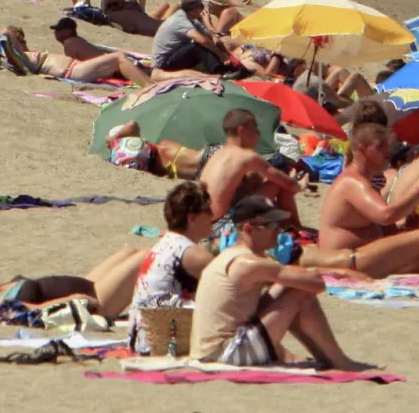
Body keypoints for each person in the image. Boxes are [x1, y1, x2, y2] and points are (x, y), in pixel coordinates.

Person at [189, 196, 373, 370]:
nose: (279, 230)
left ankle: (327, 358)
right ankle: (340, 361)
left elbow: (295, 275)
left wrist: (337, 272)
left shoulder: (233, 256)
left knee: (288, 287)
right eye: (272, 224)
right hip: (224, 355)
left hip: (212, 351)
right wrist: (336, 274)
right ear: (249, 229)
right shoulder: (248, 264)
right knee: (299, 292)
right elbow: (314, 283)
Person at [316, 123, 419, 280]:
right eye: (380, 146)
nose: (387, 150)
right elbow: (386, 215)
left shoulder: (363, 181)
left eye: (386, 144)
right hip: (347, 260)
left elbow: (382, 223)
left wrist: (402, 229)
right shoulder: (352, 182)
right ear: (362, 149)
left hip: (360, 257)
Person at [0, 247, 146, 323]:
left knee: (128, 252)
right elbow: (36, 310)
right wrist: (71, 300)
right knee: (147, 257)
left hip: (88, 284)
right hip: (98, 300)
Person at [128, 182, 217, 354]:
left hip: (140, 337)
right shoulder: (189, 253)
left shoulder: (166, 244)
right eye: (208, 210)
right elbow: (232, 281)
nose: (213, 216)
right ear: (191, 217)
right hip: (162, 342)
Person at [199, 108, 303, 226]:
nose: (258, 133)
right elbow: (288, 183)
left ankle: (285, 224)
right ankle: (295, 227)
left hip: (205, 223)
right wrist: (299, 185)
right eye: (255, 127)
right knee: (278, 184)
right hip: (224, 225)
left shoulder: (217, 154)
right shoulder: (247, 156)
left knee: (254, 178)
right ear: (242, 130)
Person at [39, 17, 151, 84]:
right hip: (115, 65)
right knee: (152, 73)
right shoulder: (76, 40)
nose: (55, 33)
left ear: (68, 31)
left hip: (114, 68)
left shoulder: (70, 43)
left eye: (58, 30)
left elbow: (73, 68)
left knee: (152, 75)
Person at [150, 0, 233, 79]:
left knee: (209, 44)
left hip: (174, 55)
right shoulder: (180, 20)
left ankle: (227, 66)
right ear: (193, 10)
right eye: (200, 9)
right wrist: (221, 54)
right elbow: (202, 41)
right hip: (164, 64)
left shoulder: (191, 18)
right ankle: (219, 71)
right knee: (197, 46)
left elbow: (210, 34)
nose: (202, 11)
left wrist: (208, 24)